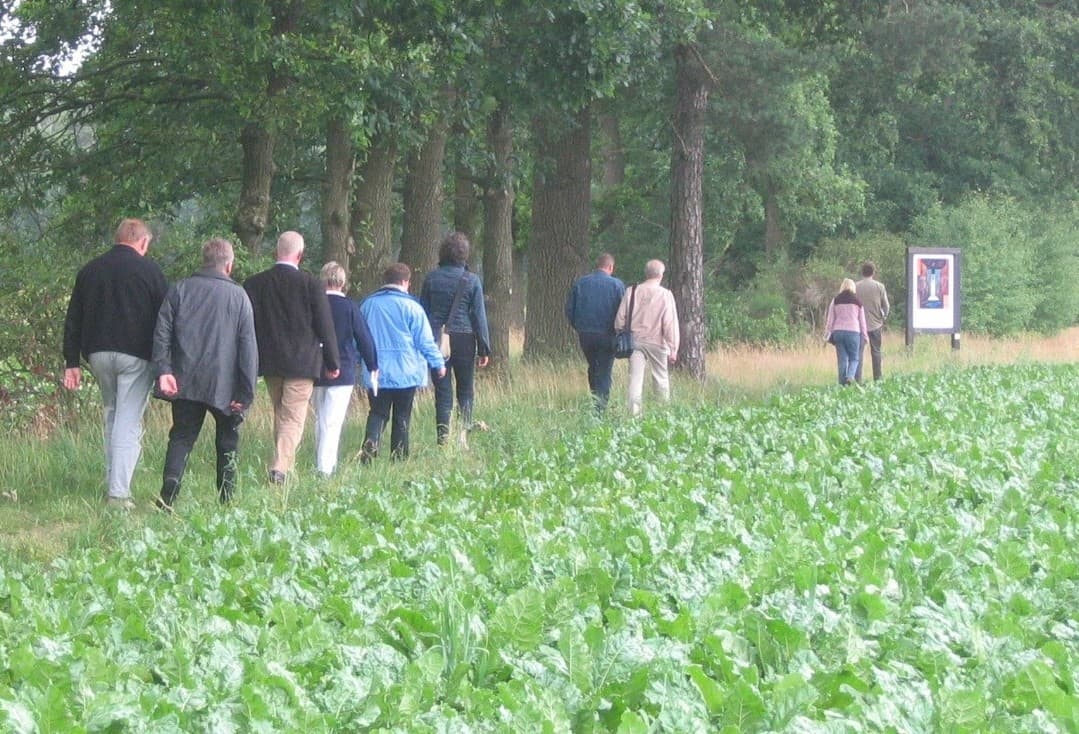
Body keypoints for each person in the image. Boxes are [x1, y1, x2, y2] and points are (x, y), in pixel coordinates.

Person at [62, 218, 168, 509]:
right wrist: (166, 364)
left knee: (112, 413)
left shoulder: (90, 270)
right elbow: (165, 320)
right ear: (143, 242)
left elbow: (74, 319)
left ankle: (113, 480)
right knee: (128, 420)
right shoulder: (151, 271)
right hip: (136, 357)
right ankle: (119, 495)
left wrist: (71, 361)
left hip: (97, 355)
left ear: (117, 237)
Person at [152, 238, 257, 510]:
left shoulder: (180, 290)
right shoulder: (239, 297)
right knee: (227, 441)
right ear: (229, 265)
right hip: (226, 384)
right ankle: (227, 499)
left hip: (185, 379)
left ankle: (170, 489)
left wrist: (164, 370)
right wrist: (245, 393)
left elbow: (161, 332)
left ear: (204, 260)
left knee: (182, 436)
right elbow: (248, 349)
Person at [243, 231, 340, 484]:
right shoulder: (311, 284)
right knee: (293, 418)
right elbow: (324, 326)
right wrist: (333, 363)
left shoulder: (254, 284)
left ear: (276, 252)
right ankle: (280, 468)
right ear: (300, 254)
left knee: (280, 414)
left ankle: (284, 467)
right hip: (302, 363)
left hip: (270, 362)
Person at [359, 263, 445, 461]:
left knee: (377, 413)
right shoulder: (413, 308)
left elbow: (359, 338)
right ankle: (398, 457)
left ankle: (370, 446)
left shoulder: (368, 305)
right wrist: (438, 363)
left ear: (385, 281)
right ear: (406, 282)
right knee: (402, 416)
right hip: (406, 372)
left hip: (376, 372)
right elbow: (425, 341)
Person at [420, 232, 491, 445]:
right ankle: (463, 437)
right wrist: (484, 348)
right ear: (465, 254)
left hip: (436, 339)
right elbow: (479, 316)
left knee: (442, 391)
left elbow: (423, 311)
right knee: (466, 389)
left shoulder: (431, 278)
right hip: (464, 339)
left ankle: (443, 438)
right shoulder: (472, 280)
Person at [311, 261, 378, 477]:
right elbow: (364, 337)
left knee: (320, 419)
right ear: (342, 281)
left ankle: (320, 461)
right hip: (343, 370)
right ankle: (325, 468)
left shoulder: (313, 304)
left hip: (315, 369)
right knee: (333, 421)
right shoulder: (349, 307)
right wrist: (373, 364)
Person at [614, 259, 680, 417]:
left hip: (635, 342)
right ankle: (662, 415)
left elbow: (619, 320)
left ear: (646, 273)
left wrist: (620, 332)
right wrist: (673, 348)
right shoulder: (665, 295)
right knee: (661, 378)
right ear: (661, 275)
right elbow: (669, 323)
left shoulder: (632, 291)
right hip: (658, 342)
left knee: (635, 380)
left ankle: (633, 416)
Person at [566, 253, 626, 413]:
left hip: (586, 334)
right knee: (605, 369)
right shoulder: (617, 285)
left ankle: (595, 398)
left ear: (597, 265)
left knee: (593, 366)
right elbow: (623, 311)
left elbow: (569, 309)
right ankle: (600, 408)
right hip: (608, 334)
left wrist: (578, 326)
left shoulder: (581, 283)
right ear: (610, 267)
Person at [824, 278, 869, 386]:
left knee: (842, 360)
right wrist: (865, 336)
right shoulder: (858, 302)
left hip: (838, 333)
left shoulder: (836, 300)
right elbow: (862, 321)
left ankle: (841, 384)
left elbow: (830, 319)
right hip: (853, 332)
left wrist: (827, 333)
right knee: (854, 358)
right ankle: (850, 376)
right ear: (853, 287)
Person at [855, 261, 890, 382]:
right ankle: (878, 378)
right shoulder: (879, 286)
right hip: (875, 324)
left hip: (858, 325)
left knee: (858, 353)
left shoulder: (856, 286)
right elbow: (886, 306)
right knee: (876, 351)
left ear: (862, 272)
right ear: (873, 272)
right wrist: (883, 316)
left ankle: (858, 379)